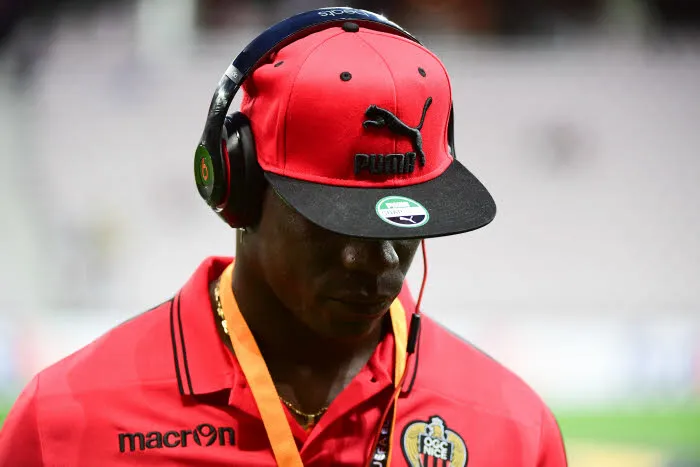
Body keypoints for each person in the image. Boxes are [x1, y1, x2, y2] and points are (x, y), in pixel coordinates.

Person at [0, 7, 567, 467]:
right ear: (237, 187)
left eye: (402, 222)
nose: (375, 260)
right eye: (335, 218)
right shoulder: (63, 426)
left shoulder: (515, 434)